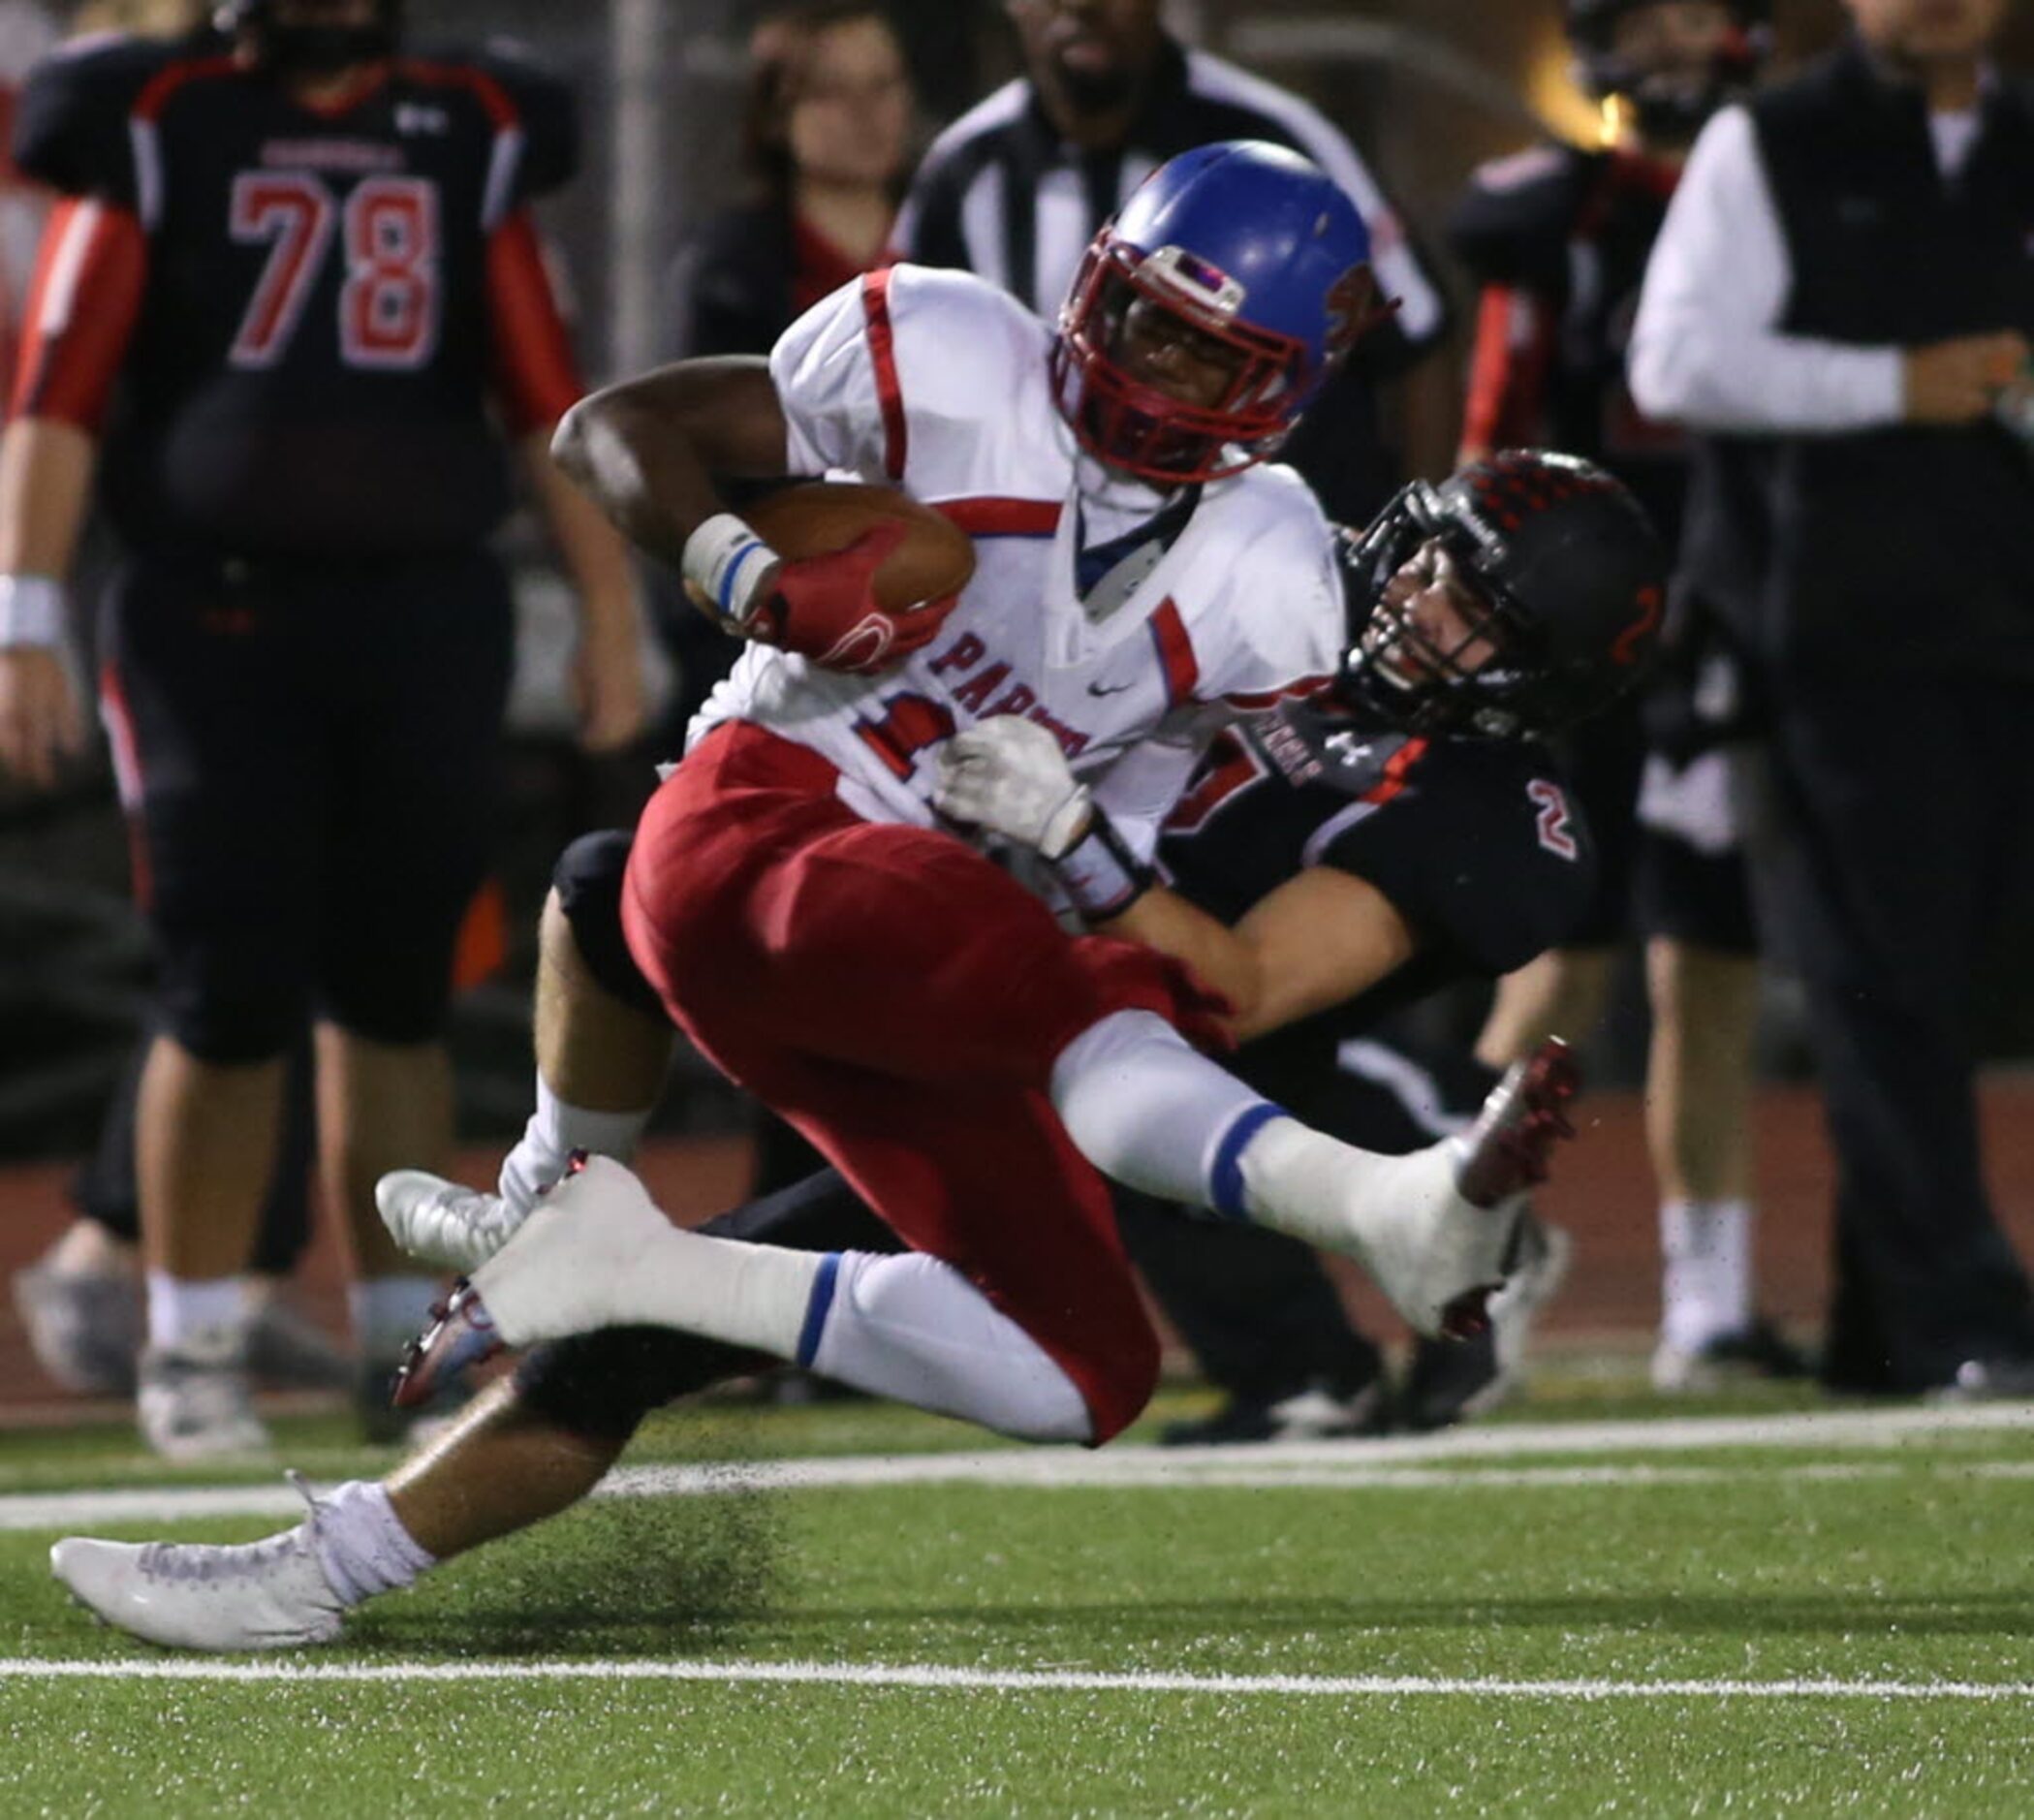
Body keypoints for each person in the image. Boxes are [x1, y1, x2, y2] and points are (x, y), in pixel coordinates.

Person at [46, 448, 1664, 1651]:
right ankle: (548, 1185)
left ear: (1536, 687)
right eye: (1434, 562)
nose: (1422, 607)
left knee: (680, 1339)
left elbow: (1231, 981)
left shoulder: (1490, 821)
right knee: (615, 885)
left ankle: (328, 1570)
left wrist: (1077, 837)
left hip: (1084, 1097)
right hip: (929, 944)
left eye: (1478, 618)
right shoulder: (1272, 563)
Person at [0, 0, 646, 1458]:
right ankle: (192, 1339)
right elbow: (61, 380)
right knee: (222, 988)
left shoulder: (462, 131)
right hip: (208, 610)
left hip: (419, 605)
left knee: (396, 991)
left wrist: (611, 606)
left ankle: (389, 1347)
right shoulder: (164, 119)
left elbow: (543, 387)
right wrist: (21, 609)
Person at [1629, 0, 2034, 1396]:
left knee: (1946, 979)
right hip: (1828, 646)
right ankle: (1961, 1318)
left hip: (2007, 632)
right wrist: (1887, 384)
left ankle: (1881, 1321)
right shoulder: (1770, 141)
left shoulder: (2019, 143)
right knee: (1886, 984)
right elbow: (1668, 360)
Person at [1448, 0, 1806, 1391]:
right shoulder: (1556, 214)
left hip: (1728, 618)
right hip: (1579, 630)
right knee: (1558, 960)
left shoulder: (1772, 186)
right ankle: (1460, 1273)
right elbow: (1493, 431)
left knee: (1708, 961)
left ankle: (1705, 1306)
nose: (1666, 44)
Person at [892, 0, 1452, 524]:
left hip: (1267, 530)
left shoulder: (1278, 137)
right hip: (1059, 535)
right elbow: (911, 356)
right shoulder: (962, 165)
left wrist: (1402, 538)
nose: (1084, 6)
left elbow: (1418, 343)